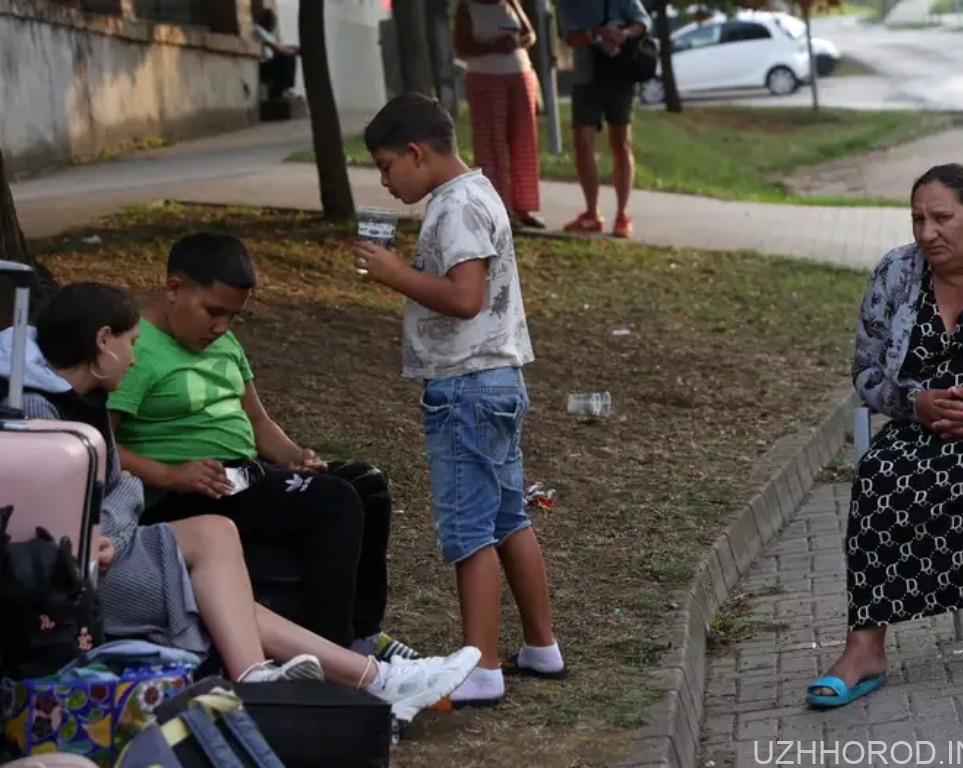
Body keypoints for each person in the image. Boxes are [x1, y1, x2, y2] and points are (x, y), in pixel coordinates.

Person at [0, 282, 482, 723]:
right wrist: (112, 528)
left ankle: (336, 679)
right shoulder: (40, 414)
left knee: (218, 535)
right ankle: (357, 679)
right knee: (215, 581)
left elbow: (111, 494)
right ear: (103, 341)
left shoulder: (81, 400)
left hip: (108, 550)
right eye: (130, 344)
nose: (133, 358)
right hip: (78, 580)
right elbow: (62, 521)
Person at [107, 232, 420, 666]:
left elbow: (256, 421)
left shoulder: (223, 344)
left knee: (365, 484)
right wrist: (168, 474)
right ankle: (333, 653)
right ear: (174, 288)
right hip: (185, 495)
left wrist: (295, 457)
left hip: (241, 476)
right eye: (213, 312)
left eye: (232, 317)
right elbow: (101, 443)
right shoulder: (137, 349)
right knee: (333, 502)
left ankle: (365, 634)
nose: (220, 328)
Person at [353, 93, 565, 708]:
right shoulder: (479, 192)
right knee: (507, 519)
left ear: (417, 153)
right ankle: (540, 646)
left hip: (467, 389)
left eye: (388, 166)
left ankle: (481, 667)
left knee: (469, 530)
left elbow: (465, 296)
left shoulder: (454, 209)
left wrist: (395, 275)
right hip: (497, 382)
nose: (386, 181)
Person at [808, 163, 963, 708]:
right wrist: (915, 404)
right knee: (881, 475)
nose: (927, 232)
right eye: (918, 219)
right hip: (920, 430)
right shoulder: (896, 273)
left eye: (941, 218)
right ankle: (865, 651)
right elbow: (864, 369)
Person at [555, 0, 651, 239]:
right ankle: (592, 213)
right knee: (583, 143)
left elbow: (643, 21)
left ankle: (622, 214)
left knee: (621, 142)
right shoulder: (568, 4)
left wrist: (622, 34)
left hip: (620, 75)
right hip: (586, 77)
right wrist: (596, 34)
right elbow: (569, 37)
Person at [453, 0, 545, 231]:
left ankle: (523, 208)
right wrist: (493, 46)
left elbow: (529, 34)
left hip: (520, 75)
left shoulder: (510, 2)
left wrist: (517, 42)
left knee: (523, 144)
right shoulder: (468, 7)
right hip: (485, 78)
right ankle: (498, 209)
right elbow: (461, 47)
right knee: (491, 146)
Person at [253, 9, 300, 99]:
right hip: (262, 66)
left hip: (270, 63)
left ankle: (284, 89)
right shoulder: (258, 30)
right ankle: (279, 90)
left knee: (288, 56)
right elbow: (277, 48)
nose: (274, 24)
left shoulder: (269, 34)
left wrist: (295, 49)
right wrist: (294, 51)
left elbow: (280, 46)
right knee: (287, 58)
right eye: (272, 21)